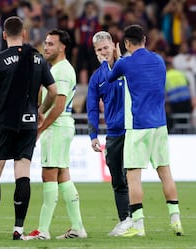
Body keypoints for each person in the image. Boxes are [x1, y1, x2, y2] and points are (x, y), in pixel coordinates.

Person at [0, 16, 57, 241]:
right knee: (22, 174)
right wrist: (40, 111)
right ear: (24, 34)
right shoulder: (37, 59)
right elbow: (53, 91)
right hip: (28, 124)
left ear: (4, 35)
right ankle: (18, 231)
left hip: (5, 122)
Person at [98, 24, 184, 237]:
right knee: (165, 173)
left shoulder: (125, 63)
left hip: (138, 127)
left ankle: (138, 226)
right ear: (145, 39)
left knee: (133, 176)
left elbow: (109, 78)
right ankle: (176, 220)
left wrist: (111, 60)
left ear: (126, 43)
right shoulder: (159, 60)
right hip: (160, 125)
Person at [25, 29, 87, 240]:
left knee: (48, 174)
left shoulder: (61, 70)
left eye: (51, 44)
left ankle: (42, 230)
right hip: (62, 126)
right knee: (62, 176)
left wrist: (40, 129)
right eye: (46, 43)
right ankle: (78, 228)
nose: (46, 47)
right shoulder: (59, 68)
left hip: (57, 126)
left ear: (62, 47)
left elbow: (59, 105)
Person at [86, 31, 131, 236]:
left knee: (133, 176)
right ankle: (126, 219)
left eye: (106, 47)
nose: (104, 52)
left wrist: (116, 61)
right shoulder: (97, 77)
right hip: (113, 133)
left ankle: (135, 221)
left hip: (133, 130)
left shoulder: (128, 66)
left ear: (114, 45)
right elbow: (92, 107)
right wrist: (93, 134)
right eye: (99, 50)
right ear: (95, 53)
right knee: (118, 179)